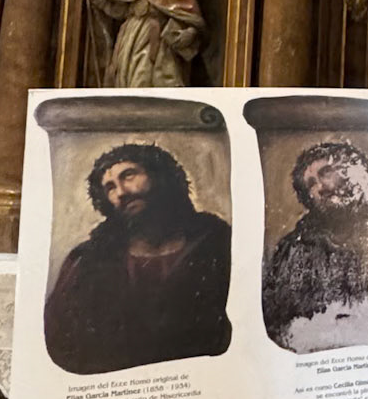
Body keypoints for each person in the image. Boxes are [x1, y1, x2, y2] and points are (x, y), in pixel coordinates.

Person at [43, 141, 231, 375]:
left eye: (129, 175)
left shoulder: (216, 241)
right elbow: (62, 338)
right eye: (110, 187)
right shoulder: (87, 260)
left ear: (159, 175)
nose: (121, 192)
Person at [261, 139, 368, 352]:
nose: (320, 188)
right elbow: (278, 323)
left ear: (356, 170)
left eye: (326, 173)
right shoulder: (294, 249)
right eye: (310, 184)